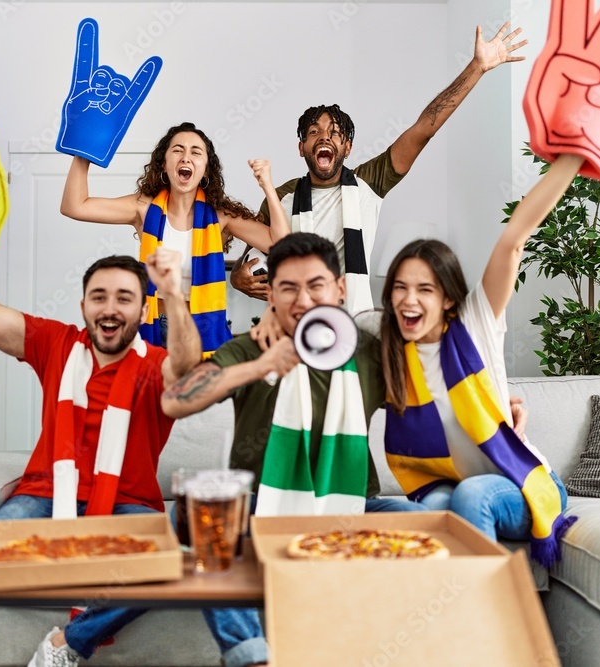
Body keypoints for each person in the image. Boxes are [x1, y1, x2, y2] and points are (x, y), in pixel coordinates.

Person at [0, 248, 268, 667]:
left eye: (124, 298)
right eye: (99, 296)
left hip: (129, 505)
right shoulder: (56, 343)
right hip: (41, 497)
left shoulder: (156, 366)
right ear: (83, 306)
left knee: (160, 567)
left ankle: (68, 640)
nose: (110, 307)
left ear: (144, 312)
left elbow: (186, 361)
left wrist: (174, 294)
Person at [231, 22, 527, 315]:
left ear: (347, 148)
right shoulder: (281, 196)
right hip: (294, 326)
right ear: (301, 148)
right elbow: (251, 259)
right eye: (313, 133)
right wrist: (237, 279)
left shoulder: (369, 181)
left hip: (355, 324)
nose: (324, 137)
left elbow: (424, 128)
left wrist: (477, 67)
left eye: (335, 133)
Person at [379, 153, 585, 569]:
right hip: (448, 485)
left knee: (469, 497)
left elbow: (515, 238)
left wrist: (573, 158)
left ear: (449, 299)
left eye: (424, 289)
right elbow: (321, 323)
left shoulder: (474, 323)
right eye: (400, 288)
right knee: (428, 510)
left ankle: (481, 618)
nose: (409, 299)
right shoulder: (384, 342)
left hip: (520, 486)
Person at [163, 232, 426, 515]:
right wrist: (261, 367)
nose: (303, 301)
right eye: (289, 288)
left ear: (340, 289)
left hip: (352, 503)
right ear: (272, 295)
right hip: (263, 503)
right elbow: (176, 402)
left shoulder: (368, 348)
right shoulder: (251, 348)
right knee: (187, 518)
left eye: (316, 286)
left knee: (419, 519)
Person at [61, 121, 288, 356]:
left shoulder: (221, 217)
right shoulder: (144, 208)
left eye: (196, 152)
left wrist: (268, 187)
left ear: (206, 170)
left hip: (201, 329)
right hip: (154, 326)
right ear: (164, 164)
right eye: (177, 150)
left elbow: (282, 245)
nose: (186, 157)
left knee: (198, 393)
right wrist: (83, 150)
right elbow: (75, 206)